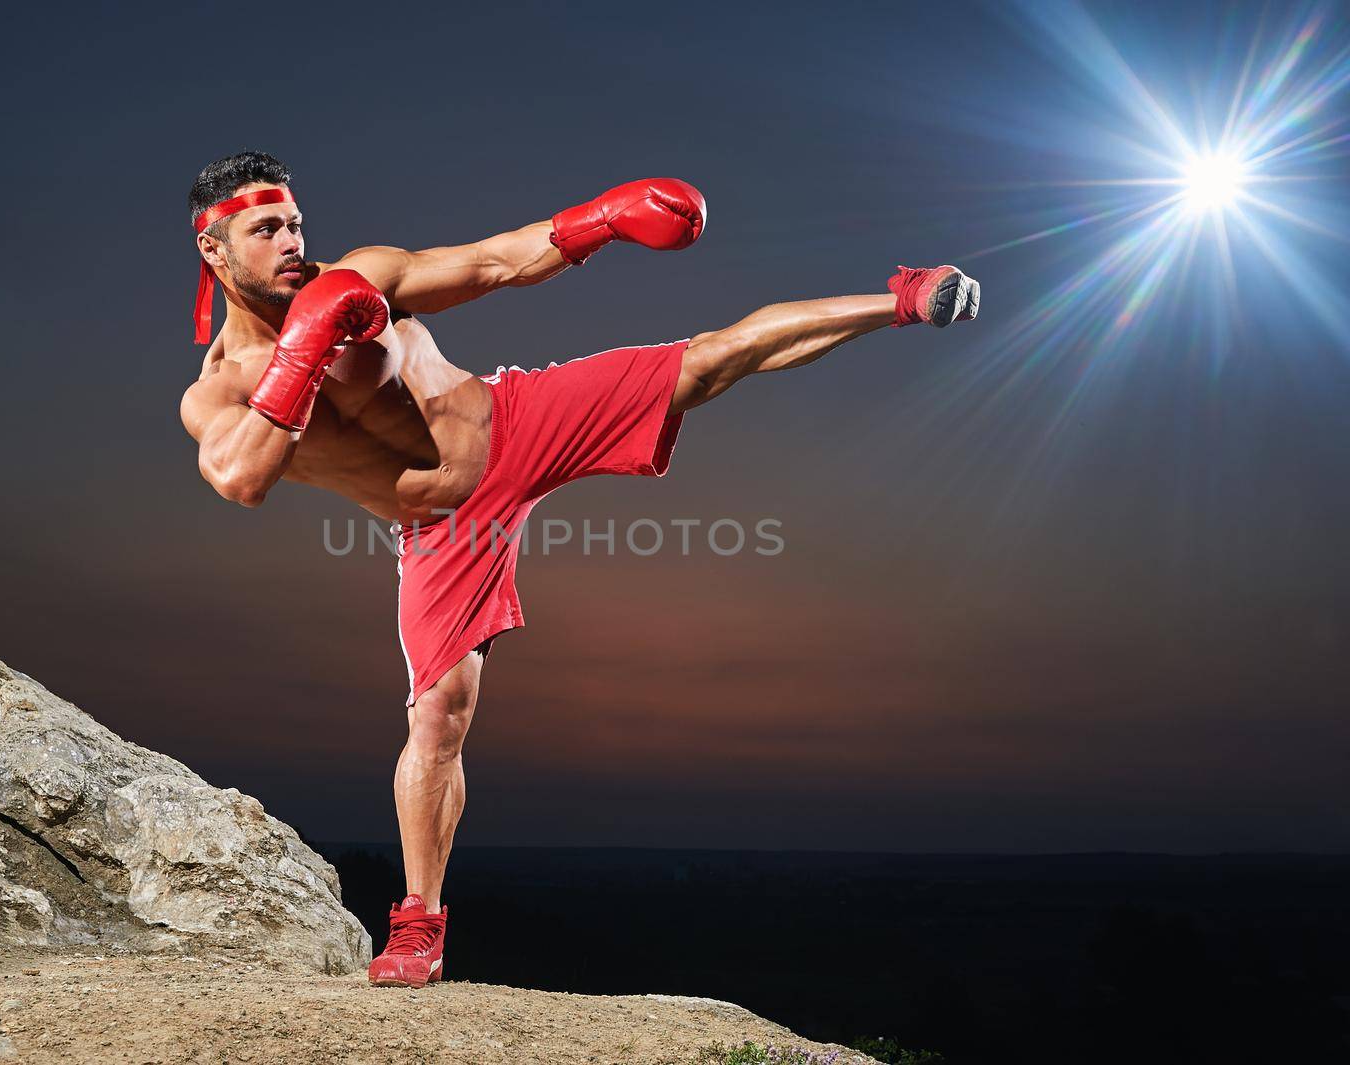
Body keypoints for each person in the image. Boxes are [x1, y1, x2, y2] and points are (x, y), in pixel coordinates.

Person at [178, 151, 979, 988]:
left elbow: (495, 260)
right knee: (439, 715)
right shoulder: (216, 391)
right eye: (265, 229)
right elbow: (240, 477)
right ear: (216, 251)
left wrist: (602, 220)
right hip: (442, 526)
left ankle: (903, 297)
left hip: (513, 420)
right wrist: (303, 350)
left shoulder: (365, 277)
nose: (292, 242)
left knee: (708, 361)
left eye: (296, 223)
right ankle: (419, 925)